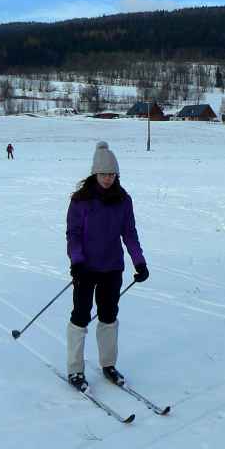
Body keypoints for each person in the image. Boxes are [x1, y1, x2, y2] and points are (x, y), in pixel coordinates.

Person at [65, 141, 149, 392]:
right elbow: (73, 234)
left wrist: (139, 261)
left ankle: (108, 365)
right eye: (103, 174)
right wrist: (77, 261)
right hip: (86, 268)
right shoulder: (81, 200)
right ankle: (75, 369)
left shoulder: (123, 200)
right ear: (95, 173)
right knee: (80, 316)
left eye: (112, 174)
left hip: (112, 268)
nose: (108, 178)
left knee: (109, 316)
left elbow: (130, 233)